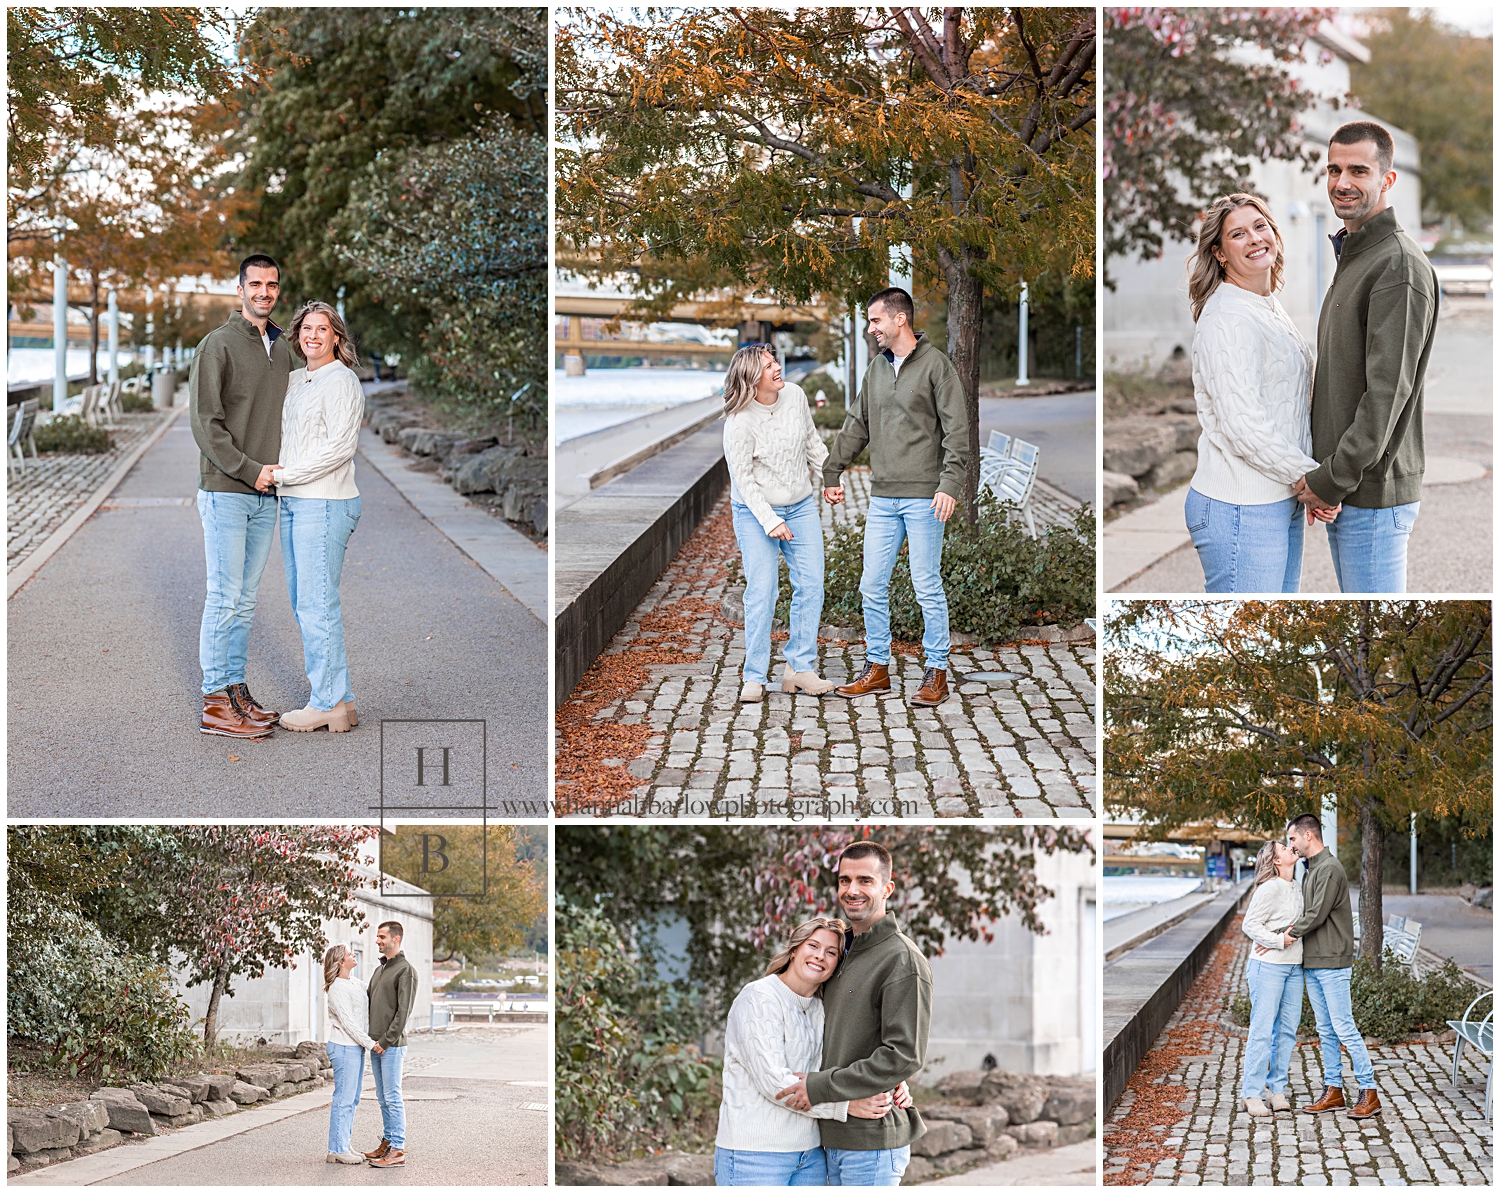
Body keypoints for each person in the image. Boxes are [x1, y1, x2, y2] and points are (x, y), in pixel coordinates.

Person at [1292, 121, 1440, 593]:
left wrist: (1332, 478)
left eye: (1358, 170)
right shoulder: (1356, 254)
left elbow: (1386, 393)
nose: (1342, 182)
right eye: (1333, 169)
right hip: (1348, 491)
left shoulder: (1396, 264)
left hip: (1371, 494)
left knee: (1371, 628)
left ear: (1387, 179)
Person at [1182, 194, 1339, 592]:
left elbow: (1291, 409)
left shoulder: (1264, 305)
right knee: (1240, 630)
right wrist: (1309, 478)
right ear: (1219, 253)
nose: (1254, 238)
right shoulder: (1227, 318)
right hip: (1241, 508)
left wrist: (1307, 480)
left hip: (1278, 497)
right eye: (1238, 233)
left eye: (1260, 227)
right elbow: (1243, 424)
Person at [823, 288, 968, 707]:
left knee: (926, 585)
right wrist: (834, 469)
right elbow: (857, 424)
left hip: (925, 497)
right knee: (872, 584)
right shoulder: (877, 368)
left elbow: (958, 432)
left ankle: (936, 672)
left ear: (899, 319)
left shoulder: (937, 367)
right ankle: (878, 668)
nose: (871, 329)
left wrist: (948, 484)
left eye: (875, 321)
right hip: (884, 498)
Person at [714, 916, 910, 1186]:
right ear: (795, 949)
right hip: (755, 1155)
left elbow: (844, 1057)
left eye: (831, 952)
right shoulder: (759, 997)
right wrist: (846, 1106)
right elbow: (775, 1083)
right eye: (813, 946)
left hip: (811, 1155)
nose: (820, 956)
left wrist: (891, 1079)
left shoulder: (821, 1008)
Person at [776, 842, 930, 1186]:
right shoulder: (837, 950)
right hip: (824, 1136)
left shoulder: (902, 960)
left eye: (865, 880)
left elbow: (904, 1054)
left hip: (870, 1141)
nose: (852, 890)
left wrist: (820, 1086)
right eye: (845, 880)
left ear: (887, 888)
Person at [189, 254, 292, 739]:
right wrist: (251, 472)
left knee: (246, 600)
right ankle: (214, 703)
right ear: (240, 289)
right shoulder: (217, 346)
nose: (264, 292)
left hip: (266, 495)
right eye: (256, 284)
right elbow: (206, 425)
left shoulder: (284, 348)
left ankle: (235, 690)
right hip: (227, 490)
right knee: (224, 596)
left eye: (271, 285)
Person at [270, 301, 365, 733]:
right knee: (306, 602)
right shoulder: (294, 380)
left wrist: (285, 475)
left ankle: (325, 701)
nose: (313, 335)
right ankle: (341, 700)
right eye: (306, 328)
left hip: (324, 502)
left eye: (322, 329)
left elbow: (339, 448)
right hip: (294, 501)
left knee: (315, 604)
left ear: (336, 337)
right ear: (297, 335)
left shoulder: (342, 381)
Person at [723, 343, 834, 702]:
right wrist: (771, 521)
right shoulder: (739, 423)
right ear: (751, 378)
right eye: (768, 365)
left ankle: (799, 669)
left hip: (799, 505)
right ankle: (754, 676)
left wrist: (830, 478)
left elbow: (812, 443)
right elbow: (745, 483)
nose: (777, 368)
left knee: (812, 583)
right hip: (755, 513)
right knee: (763, 591)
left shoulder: (796, 396)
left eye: (775, 361)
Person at [1280, 813, 1380, 1119]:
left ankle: (1369, 1091)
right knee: (1326, 1030)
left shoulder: (1330, 869)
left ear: (1309, 836)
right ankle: (1334, 1090)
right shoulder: (1312, 870)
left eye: (1293, 838)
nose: (1291, 845)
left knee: (1343, 1027)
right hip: (1316, 961)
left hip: (1333, 961)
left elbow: (1316, 914)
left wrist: (1287, 934)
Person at [1239, 841, 1304, 1117]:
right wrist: (1277, 940)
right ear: (1276, 861)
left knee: (1287, 1032)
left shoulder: (1297, 887)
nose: (1291, 848)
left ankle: (1277, 1090)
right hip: (1267, 968)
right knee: (1262, 1031)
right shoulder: (1269, 888)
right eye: (1284, 848)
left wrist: (1283, 937)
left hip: (1294, 968)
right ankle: (1251, 1094)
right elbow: (1249, 925)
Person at [363, 920, 418, 1168]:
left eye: (382, 936)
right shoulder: (380, 970)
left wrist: (385, 1041)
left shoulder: (405, 970)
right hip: (375, 1044)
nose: (378, 940)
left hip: (391, 1046)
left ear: (396, 939)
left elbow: (403, 1012)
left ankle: (398, 1150)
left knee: (393, 1097)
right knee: (383, 1097)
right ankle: (387, 1142)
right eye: (377, 936)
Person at [323, 943, 377, 1164]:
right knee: (344, 1099)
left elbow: (376, 989)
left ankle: (343, 1143)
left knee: (352, 1099)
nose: (354, 955)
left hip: (354, 1048)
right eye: (349, 954)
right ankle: (336, 1149)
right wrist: (372, 1044)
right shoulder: (337, 989)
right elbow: (349, 1024)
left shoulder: (354, 983)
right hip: (344, 1047)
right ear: (340, 962)